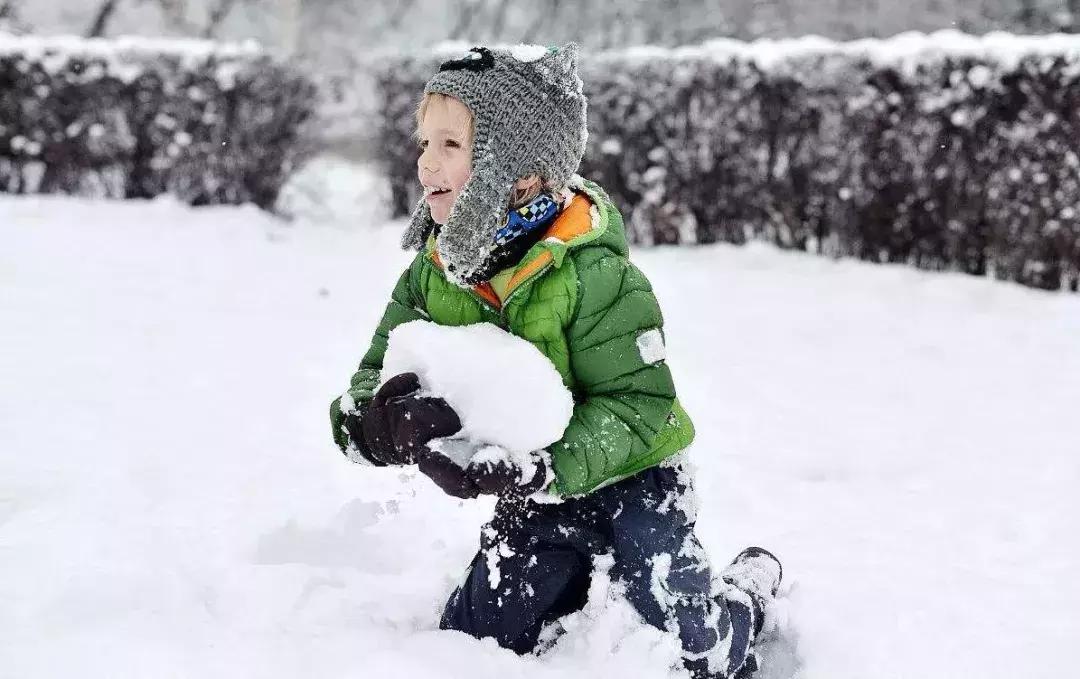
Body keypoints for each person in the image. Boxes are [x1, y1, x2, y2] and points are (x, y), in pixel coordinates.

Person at [330, 43, 782, 679]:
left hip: (636, 483)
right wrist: (374, 425)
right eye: (424, 141)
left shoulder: (596, 274)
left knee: (691, 652)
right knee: (476, 638)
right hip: (531, 494)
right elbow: (368, 379)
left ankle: (744, 598)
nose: (425, 161)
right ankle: (564, 584)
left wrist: (543, 467)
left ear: (519, 171)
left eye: (451, 145)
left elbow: (639, 405)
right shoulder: (434, 273)